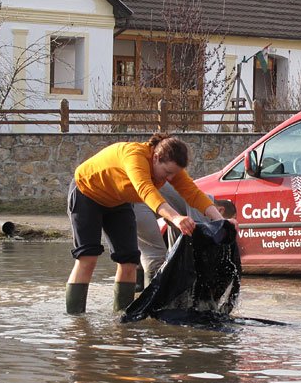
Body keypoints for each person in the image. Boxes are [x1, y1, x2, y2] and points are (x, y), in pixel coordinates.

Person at [65, 133, 228, 314]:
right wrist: (175, 217)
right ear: (156, 157)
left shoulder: (170, 169)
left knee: (129, 260)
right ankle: (76, 320)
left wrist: (221, 221)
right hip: (86, 193)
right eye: (167, 173)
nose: (170, 179)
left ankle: (123, 317)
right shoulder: (134, 156)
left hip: (118, 202)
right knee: (88, 258)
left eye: (174, 174)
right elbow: (146, 191)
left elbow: (193, 193)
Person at [133, 185, 236, 289]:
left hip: (144, 200)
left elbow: (175, 252)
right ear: (221, 211)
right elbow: (199, 248)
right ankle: (151, 302)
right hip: (136, 201)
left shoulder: (183, 211)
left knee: (159, 260)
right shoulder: (204, 205)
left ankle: (148, 297)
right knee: (156, 257)